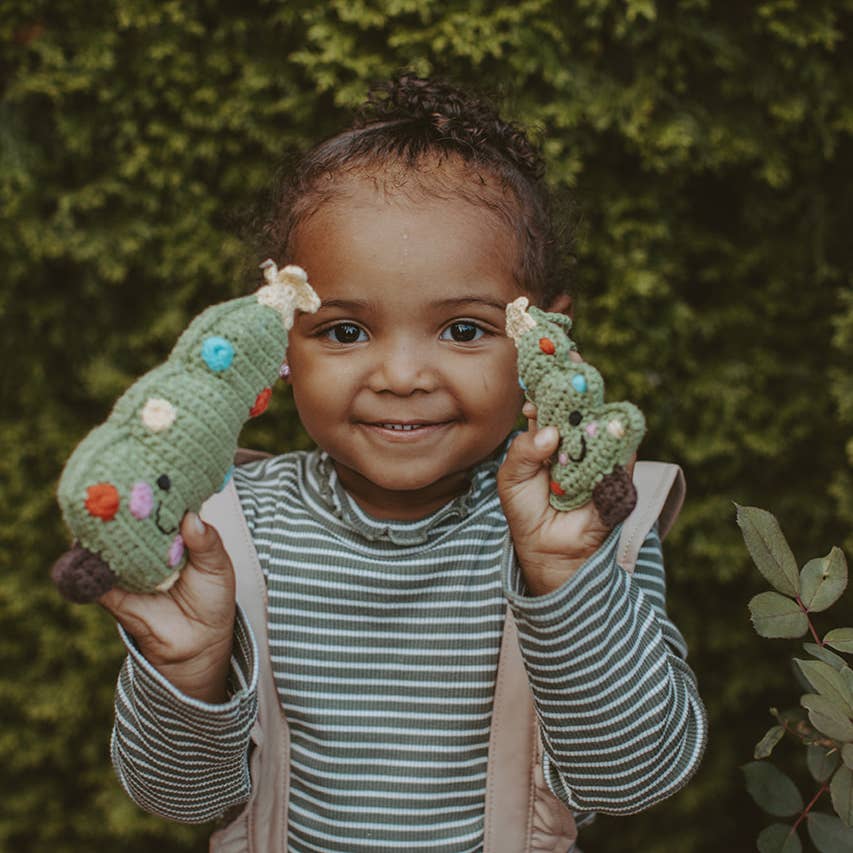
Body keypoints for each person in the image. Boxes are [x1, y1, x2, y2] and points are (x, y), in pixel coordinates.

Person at [101, 75, 707, 851]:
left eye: (461, 330)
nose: (400, 375)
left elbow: (635, 778)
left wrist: (565, 579)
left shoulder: (589, 522)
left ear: (545, 330)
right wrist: (189, 667)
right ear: (279, 333)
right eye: (346, 332)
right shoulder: (225, 526)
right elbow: (175, 794)